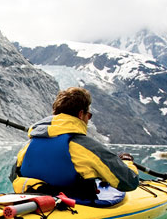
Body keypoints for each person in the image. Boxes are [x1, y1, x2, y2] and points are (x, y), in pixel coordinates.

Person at [10, 86, 139, 201]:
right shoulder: (88, 147)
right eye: (89, 115)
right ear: (81, 114)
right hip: (75, 206)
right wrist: (127, 162)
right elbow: (129, 182)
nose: (88, 119)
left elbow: (13, 176)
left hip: (34, 203)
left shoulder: (29, 145)